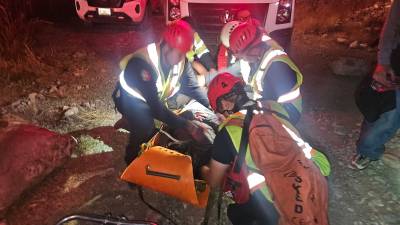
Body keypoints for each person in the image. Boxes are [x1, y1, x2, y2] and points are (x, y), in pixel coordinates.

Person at [202, 73, 329, 225]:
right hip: (318, 174)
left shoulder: (229, 132)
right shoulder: (272, 105)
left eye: (217, 110)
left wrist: (204, 171)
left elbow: (214, 181)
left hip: (281, 197)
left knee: (235, 213)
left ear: (225, 104)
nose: (219, 116)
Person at [113, 20, 210, 165]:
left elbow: (193, 88)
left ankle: (134, 123)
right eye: (179, 54)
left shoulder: (180, 60)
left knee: (187, 110)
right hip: (129, 99)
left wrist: (211, 109)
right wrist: (187, 125)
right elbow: (156, 108)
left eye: (183, 54)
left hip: (157, 97)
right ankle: (131, 161)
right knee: (145, 126)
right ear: (167, 47)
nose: (180, 60)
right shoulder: (143, 64)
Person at [351, 0, 400, 170]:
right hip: (396, 65)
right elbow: (391, 28)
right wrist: (383, 62)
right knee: (386, 111)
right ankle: (367, 150)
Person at [228, 21, 303, 125]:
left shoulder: (277, 68)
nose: (245, 60)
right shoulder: (262, 50)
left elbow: (268, 103)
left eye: (244, 57)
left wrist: (242, 112)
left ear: (252, 50)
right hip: (273, 104)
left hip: (288, 112)